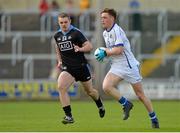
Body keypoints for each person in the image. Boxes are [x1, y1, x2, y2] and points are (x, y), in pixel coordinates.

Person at [95, 8, 159, 128]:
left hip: (129, 66)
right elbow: (113, 50)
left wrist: (106, 53)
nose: (102, 20)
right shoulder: (105, 33)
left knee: (140, 95)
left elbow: (119, 49)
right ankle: (126, 104)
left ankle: (154, 118)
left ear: (112, 18)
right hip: (117, 66)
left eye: (105, 17)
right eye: (101, 17)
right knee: (106, 87)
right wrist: (105, 54)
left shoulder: (117, 30)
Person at [54, 13, 105, 124]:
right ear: (59, 23)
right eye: (61, 22)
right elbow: (57, 47)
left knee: (90, 92)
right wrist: (59, 60)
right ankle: (69, 116)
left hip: (81, 67)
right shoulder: (57, 35)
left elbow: (89, 46)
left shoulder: (76, 33)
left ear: (70, 21)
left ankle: (100, 105)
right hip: (68, 69)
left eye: (65, 22)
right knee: (61, 87)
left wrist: (80, 49)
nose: (63, 24)